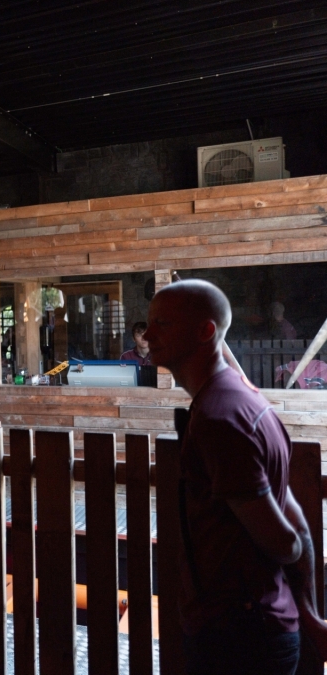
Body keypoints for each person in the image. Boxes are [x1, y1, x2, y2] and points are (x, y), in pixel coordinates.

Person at [145, 279, 327, 674]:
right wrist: (309, 612)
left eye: (162, 324)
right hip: (259, 627)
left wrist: (286, 551)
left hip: (239, 639)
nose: (147, 335)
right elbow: (293, 517)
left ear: (205, 331)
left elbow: (284, 540)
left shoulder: (219, 419)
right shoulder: (243, 399)